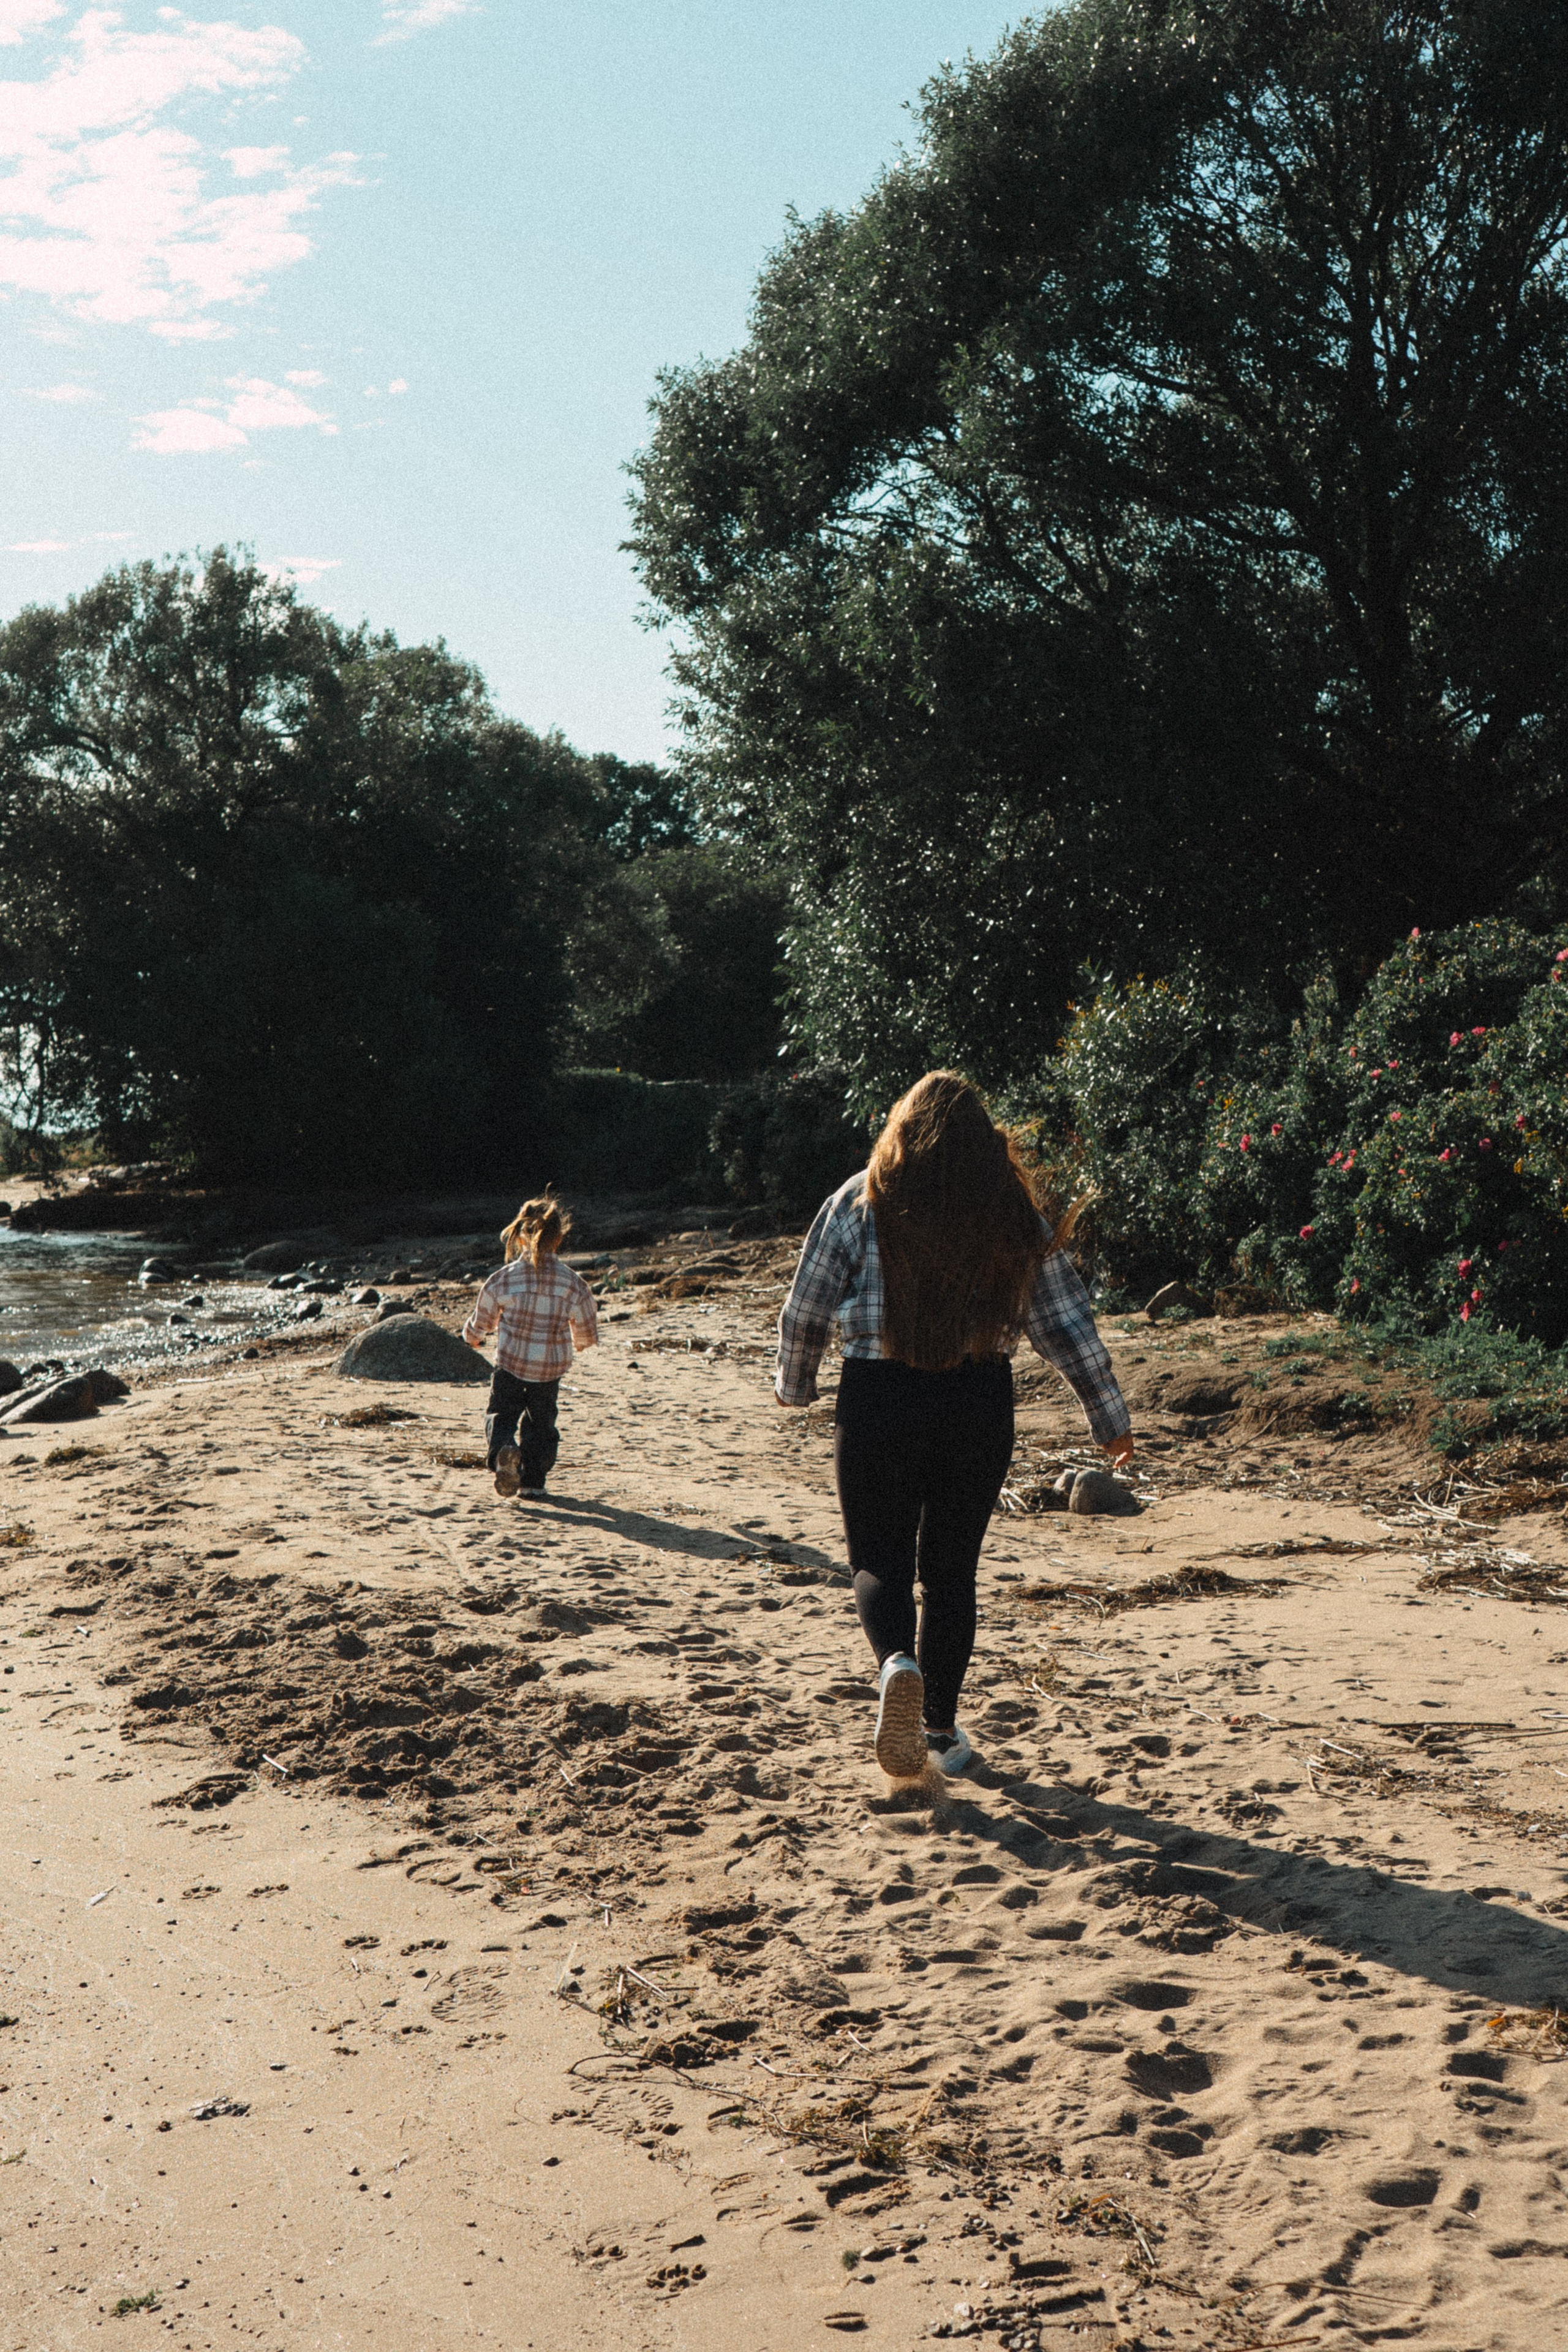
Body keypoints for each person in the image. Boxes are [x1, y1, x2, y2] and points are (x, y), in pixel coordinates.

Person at [775, 1071, 1133, 1779]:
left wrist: (797, 1386)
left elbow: (805, 1308)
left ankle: (896, 1666)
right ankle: (938, 1729)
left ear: (900, 1131)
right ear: (983, 1141)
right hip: (976, 1402)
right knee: (951, 1573)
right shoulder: (1011, 1214)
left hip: (878, 1398)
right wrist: (1108, 1420)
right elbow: (1066, 1325)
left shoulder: (856, 1199)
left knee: (878, 1559)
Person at [462, 1195, 598, 1497]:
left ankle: (504, 1451)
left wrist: (472, 1336)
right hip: (549, 1370)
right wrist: (580, 1343)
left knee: (501, 1416)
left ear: (521, 1236)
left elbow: (481, 1320)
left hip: (511, 1364)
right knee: (542, 1424)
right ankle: (534, 1481)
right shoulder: (573, 1284)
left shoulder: (503, 1280)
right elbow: (587, 1329)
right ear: (559, 1239)